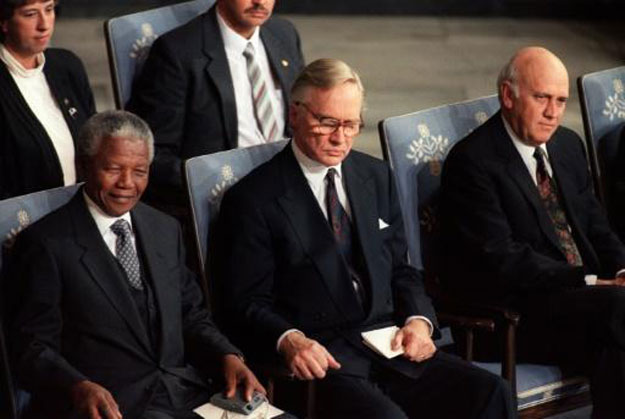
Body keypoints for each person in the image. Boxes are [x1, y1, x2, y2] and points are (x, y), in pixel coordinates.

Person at [218, 58, 515, 419]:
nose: (339, 137)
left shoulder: (374, 175)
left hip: (389, 346)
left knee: (491, 392)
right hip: (322, 362)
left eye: (350, 124)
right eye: (327, 122)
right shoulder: (253, 198)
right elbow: (246, 302)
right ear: (295, 114)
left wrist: (419, 321)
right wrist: (289, 339)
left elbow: (402, 269)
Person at [8, 110, 264, 419]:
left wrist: (227, 356)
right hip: (110, 405)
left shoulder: (165, 228)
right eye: (113, 168)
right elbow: (32, 349)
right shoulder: (45, 243)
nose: (126, 184)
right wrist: (78, 386)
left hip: (182, 394)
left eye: (140, 171)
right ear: (84, 164)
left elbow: (190, 315)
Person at [440, 46, 625, 418]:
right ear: (508, 96)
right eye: (542, 98)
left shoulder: (567, 146)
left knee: (616, 345)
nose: (553, 112)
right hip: (516, 315)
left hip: (588, 308)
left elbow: (597, 225)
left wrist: (621, 271)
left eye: (560, 100)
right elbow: (503, 259)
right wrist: (590, 282)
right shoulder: (472, 162)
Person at [128, 0, 304, 207]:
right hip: (228, 197)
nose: (260, 2)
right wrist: (212, 183)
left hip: (290, 183)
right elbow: (154, 153)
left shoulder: (284, 34)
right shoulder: (177, 52)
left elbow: (302, 115)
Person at [0, 0, 95, 199]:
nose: (44, 24)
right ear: (4, 22)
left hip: (79, 208)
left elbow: (93, 140)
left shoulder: (67, 65)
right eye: (30, 14)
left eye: (49, 9)